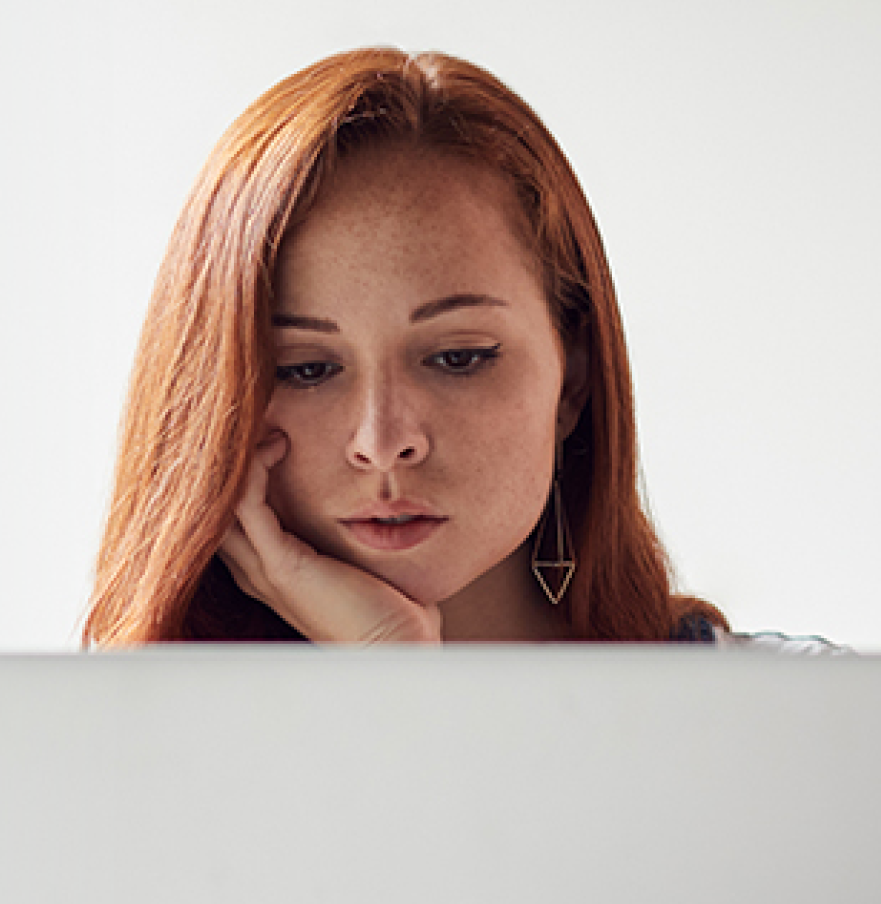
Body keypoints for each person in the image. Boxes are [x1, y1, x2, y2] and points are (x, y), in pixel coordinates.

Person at [85, 47, 766, 648]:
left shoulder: (805, 724)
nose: (382, 443)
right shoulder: (116, 759)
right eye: (306, 369)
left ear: (575, 376)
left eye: (458, 358)